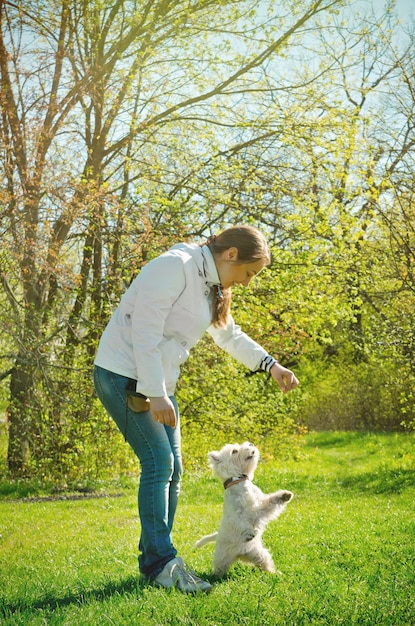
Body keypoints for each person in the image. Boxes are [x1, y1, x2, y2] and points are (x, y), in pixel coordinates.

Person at [93, 225, 299, 593]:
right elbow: (144, 330)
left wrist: (271, 365)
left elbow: (228, 335)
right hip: (123, 375)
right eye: (249, 273)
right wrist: (155, 393)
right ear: (231, 255)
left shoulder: (211, 286)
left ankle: (156, 560)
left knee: (174, 469)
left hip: (158, 385)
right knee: (159, 464)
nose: (248, 282)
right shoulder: (175, 266)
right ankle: (161, 563)